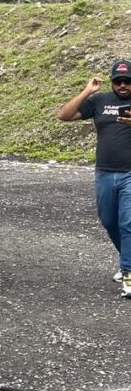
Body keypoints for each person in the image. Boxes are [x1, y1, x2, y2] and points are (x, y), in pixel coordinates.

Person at [57, 59, 131, 298]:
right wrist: (88, 91)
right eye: (118, 81)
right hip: (105, 172)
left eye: (127, 81)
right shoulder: (100, 101)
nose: (123, 85)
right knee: (109, 220)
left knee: (128, 223)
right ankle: (127, 260)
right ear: (111, 82)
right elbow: (64, 115)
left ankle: (128, 274)